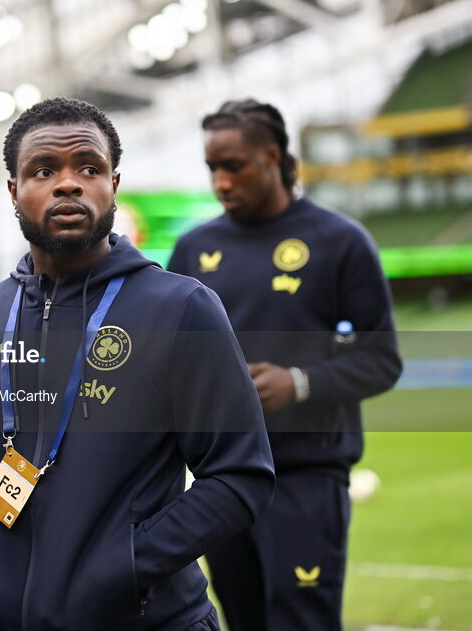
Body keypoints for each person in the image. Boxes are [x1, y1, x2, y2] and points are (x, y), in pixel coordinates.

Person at [0, 97, 276, 630]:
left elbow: (239, 476)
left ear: (113, 184)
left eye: (88, 167)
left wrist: (123, 566)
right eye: (43, 170)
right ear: (13, 191)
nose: (68, 183)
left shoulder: (179, 307)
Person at [168, 99, 402, 631]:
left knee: (302, 621)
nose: (221, 181)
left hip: (305, 479)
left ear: (273, 157)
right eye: (212, 168)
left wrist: (298, 384)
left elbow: (382, 360)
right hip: (221, 481)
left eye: (234, 165)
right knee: (241, 620)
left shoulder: (340, 242)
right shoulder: (193, 249)